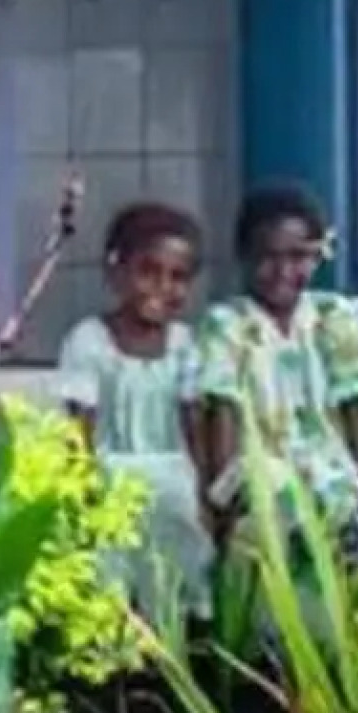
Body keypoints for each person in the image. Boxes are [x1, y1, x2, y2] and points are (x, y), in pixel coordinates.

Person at [197, 183, 358, 632]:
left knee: (338, 571)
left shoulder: (334, 319)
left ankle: (325, 669)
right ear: (244, 255)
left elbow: (356, 407)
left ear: (318, 257)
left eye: (298, 256)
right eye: (267, 256)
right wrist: (219, 501)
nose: (282, 270)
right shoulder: (228, 324)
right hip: (260, 473)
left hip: (329, 472)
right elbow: (222, 408)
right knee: (277, 526)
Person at [54, 201, 215, 620]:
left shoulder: (184, 344)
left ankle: (178, 647)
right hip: (114, 477)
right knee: (116, 581)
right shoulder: (90, 341)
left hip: (174, 481)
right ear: (116, 273)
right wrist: (82, 496)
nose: (163, 287)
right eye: (149, 272)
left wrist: (206, 494)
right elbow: (79, 432)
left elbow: (193, 423)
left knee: (180, 570)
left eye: (178, 277)